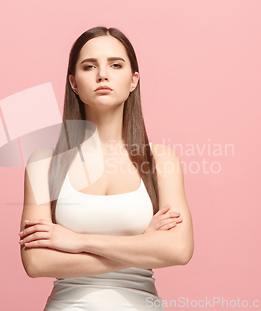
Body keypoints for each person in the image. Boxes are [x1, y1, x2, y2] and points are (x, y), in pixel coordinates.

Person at [18, 26, 194, 310]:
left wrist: (78, 241)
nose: (103, 74)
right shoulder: (43, 164)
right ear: (74, 83)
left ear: (133, 80)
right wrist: (143, 246)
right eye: (89, 66)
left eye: (116, 64)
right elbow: (37, 262)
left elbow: (180, 250)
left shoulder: (161, 161)